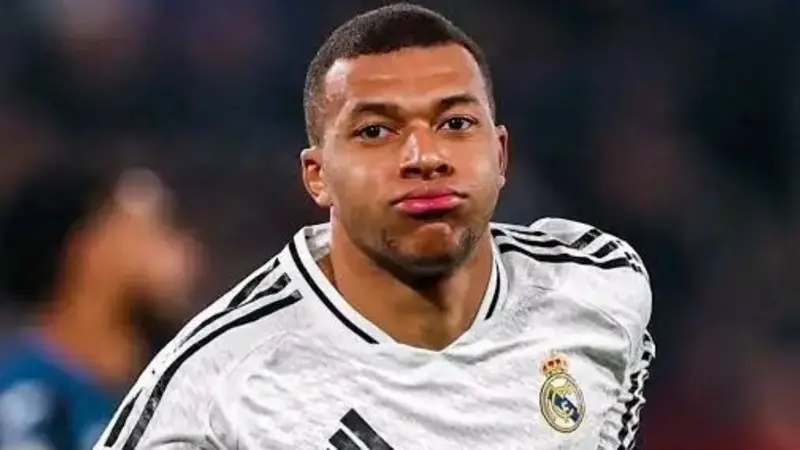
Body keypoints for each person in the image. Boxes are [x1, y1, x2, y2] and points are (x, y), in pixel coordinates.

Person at [96, 4, 654, 449]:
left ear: (500, 154)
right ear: (318, 177)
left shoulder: (597, 285)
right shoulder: (223, 379)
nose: (425, 157)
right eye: (375, 132)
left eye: (456, 123)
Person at [0, 165, 199, 450]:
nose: (184, 254)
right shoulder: (24, 401)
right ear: (86, 249)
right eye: (156, 231)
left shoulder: (190, 392)